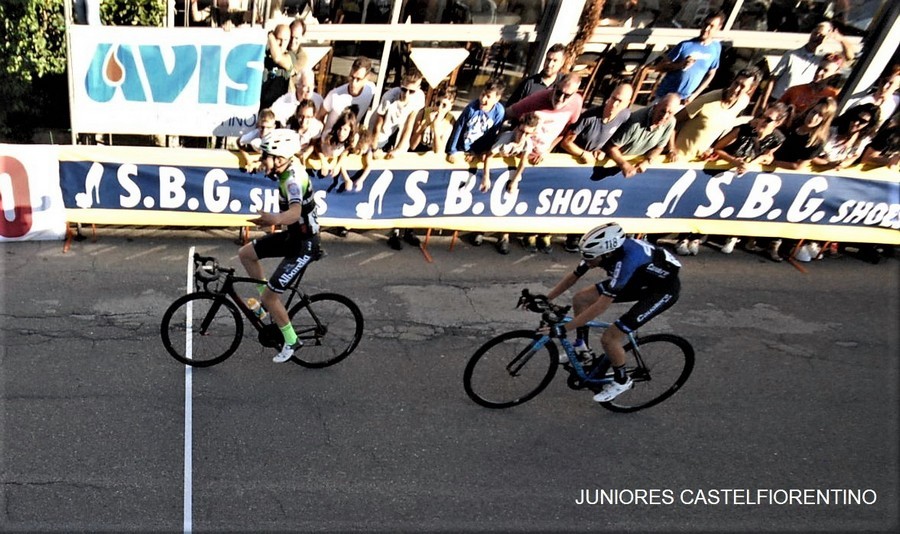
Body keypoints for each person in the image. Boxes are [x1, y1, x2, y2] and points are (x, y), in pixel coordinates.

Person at [544, 222, 682, 403]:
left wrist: (564, 329)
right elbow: (574, 276)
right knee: (581, 299)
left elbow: (600, 306)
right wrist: (547, 299)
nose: (587, 261)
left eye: (591, 258)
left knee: (610, 337)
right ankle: (582, 347)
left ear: (607, 254)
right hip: (638, 280)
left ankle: (622, 380)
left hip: (661, 291)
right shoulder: (600, 251)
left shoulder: (626, 263)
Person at [238, 129, 321, 363]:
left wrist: (274, 219)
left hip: (304, 244)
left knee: (272, 296)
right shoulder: (287, 170)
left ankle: (292, 340)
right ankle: (265, 306)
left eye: (265, 156)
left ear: (280, 158)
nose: (262, 160)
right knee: (246, 253)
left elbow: (294, 212)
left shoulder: (293, 181)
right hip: (293, 237)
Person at [506, 73, 584, 253]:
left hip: (543, 154)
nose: (561, 99)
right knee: (511, 192)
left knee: (532, 197)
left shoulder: (576, 103)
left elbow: (568, 130)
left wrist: (549, 149)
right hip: (522, 152)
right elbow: (509, 113)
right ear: (554, 87)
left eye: (567, 96)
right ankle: (504, 234)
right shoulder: (537, 99)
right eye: (559, 93)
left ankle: (533, 234)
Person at [706, 102, 790, 257]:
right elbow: (718, 147)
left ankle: (733, 236)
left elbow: (768, 156)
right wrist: (735, 161)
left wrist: (754, 162)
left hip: (748, 177)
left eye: (768, 120)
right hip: (726, 172)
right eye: (762, 116)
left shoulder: (777, 138)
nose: (762, 121)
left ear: (778, 123)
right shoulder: (744, 129)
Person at [476, 112, 540, 254]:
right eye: (521, 131)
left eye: (527, 134)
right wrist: (486, 177)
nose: (522, 136)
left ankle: (503, 236)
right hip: (495, 168)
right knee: (486, 198)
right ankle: (480, 230)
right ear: (517, 128)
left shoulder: (527, 143)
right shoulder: (506, 138)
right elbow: (489, 156)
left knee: (507, 201)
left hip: (509, 172)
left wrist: (515, 180)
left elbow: (523, 162)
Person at [669, 68, 760, 162]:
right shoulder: (706, 100)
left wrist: (710, 148)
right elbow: (671, 122)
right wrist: (672, 149)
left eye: (742, 86)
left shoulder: (743, 102)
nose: (736, 89)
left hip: (699, 161)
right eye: (736, 83)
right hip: (678, 158)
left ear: (750, 90)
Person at [768, 21, 856, 101]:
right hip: (777, 99)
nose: (817, 38)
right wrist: (763, 103)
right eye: (816, 33)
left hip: (798, 102)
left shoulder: (822, 57)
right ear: (812, 32)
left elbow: (850, 57)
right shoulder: (792, 54)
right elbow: (773, 79)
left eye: (822, 36)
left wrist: (841, 39)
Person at [653, 11, 725, 105]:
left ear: (718, 28)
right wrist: (680, 65)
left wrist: (694, 95)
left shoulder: (716, 48)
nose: (706, 29)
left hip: (684, 100)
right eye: (705, 24)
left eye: (711, 26)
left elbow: (710, 74)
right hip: (665, 96)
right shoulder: (685, 45)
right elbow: (659, 67)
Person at [605, 93, 681, 178]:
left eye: (670, 113)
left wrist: (647, 161)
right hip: (616, 163)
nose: (664, 116)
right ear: (655, 107)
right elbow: (611, 147)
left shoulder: (671, 122)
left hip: (634, 166)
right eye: (663, 111)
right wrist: (624, 164)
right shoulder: (635, 122)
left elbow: (659, 147)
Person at [559, 83, 634, 165]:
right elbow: (565, 143)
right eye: (613, 98)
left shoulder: (625, 116)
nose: (614, 104)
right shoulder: (588, 117)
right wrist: (583, 154)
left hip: (593, 161)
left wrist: (602, 150)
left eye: (620, 101)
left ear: (627, 103)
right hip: (570, 158)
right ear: (609, 97)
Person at [445, 79, 506, 164]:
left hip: (477, 150)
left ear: (497, 99)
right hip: (462, 147)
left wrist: (484, 151)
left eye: (488, 96)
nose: (483, 99)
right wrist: (452, 151)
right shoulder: (471, 108)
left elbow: (492, 134)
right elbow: (459, 127)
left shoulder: (499, 112)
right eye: (482, 94)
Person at [371, 69, 426, 158]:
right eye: (404, 89)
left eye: (411, 91)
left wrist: (399, 148)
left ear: (419, 88)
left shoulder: (419, 98)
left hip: (400, 129)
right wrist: (374, 148)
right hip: (383, 130)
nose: (406, 94)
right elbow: (378, 125)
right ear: (401, 84)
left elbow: (409, 124)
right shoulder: (389, 97)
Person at [318, 56, 377, 136]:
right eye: (352, 77)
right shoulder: (335, 95)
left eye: (358, 79)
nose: (353, 83)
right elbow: (319, 116)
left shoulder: (370, 90)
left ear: (367, 78)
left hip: (349, 139)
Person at [811, 103, 880, 171]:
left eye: (862, 121)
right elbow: (809, 154)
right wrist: (827, 164)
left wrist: (842, 164)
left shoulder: (862, 139)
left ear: (869, 125)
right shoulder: (831, 130)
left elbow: (855, 155)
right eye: (855, 118)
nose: (856, 123)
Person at [777, 55, 842, 118]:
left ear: (833, 75)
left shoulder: (833, 95)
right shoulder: (795, 89)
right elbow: (777, 110)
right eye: (819, 68)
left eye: (825, 70)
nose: (819, 73)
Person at [410, 85, 457, 153]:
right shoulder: (423, 113)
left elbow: (438, 152)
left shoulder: (450, 121)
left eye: (444, 105)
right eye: (437, 104)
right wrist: (425, 124)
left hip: (433, 155)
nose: (439, 108)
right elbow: (412, 146)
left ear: (451, 106)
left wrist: (436, 128)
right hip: (417, 151)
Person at [260, 24, 295, 110]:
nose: (282, 43)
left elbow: (278, 58)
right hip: (258, 107)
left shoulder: (290, 57)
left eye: (286, 40)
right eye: (279, 39)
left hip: (276, 111)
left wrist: (270, 35)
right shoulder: (262, 53)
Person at [237, 108, 277, 172]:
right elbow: (239, 141)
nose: (264, 131)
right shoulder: (255, 133)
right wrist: (247, 157)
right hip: (259, 157)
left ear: (274, 127)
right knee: (255, 142)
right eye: (262, 127)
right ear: (258, 125)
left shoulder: (277, 137)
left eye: (268, 128)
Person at [285, 98, 323, 163]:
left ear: (314, 116)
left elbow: (314, 144)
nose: (304, 121)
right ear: (296, 114)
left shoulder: (316, 127)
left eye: (308, 117)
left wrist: (306, 154)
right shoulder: (289, 128)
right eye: (301, 116)